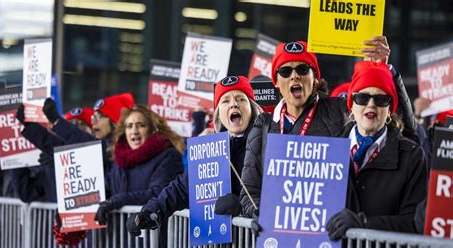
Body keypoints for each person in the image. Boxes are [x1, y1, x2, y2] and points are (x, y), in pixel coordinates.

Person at [240, 37, 417, 220]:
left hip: (327, 233)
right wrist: (261, 214)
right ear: (276, 81)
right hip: (279, 234)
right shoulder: (263, 125)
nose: (294, 76)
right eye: (285, 71)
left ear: (315, 77)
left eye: (302, 69)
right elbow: (250, 189)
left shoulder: (340, 110)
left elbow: (402, 129)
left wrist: (384, 72)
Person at [124, 76, 263, 237]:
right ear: (219, 115)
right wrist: (149, 212)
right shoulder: (210, 148)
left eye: (241, 99)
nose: (233, 103)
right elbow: (182, 188)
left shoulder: (267, 142)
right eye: (225, 101)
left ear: (252, 108)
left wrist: (241, 208)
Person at [326, 61, 428, 240]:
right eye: (362, 97)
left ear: (390, 110)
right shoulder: (326, 148)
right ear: (351, 105)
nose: (371, 105)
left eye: (381, 99)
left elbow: (414, 222)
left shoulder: (412, 156)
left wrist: (365, 224)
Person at [94, 105, 186, 225]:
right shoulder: (120, 159)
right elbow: (106, 189)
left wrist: (117, 200)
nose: (134, 131)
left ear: (153, 130)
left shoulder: (168, 157)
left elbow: (158, 194)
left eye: (141, 125)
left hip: (150, 235)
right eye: (129, 126)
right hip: (121, 236)